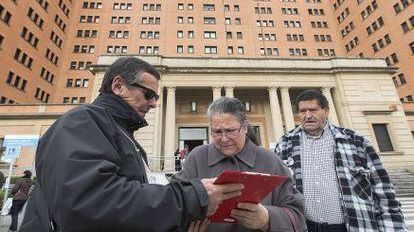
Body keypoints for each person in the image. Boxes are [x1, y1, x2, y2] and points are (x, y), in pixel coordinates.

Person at [20, 57, 243, 231]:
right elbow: (91, 204)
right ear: (118, 85)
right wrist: (194, 197)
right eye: (148, 94)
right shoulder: (81, 121)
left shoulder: (125, 136)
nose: (154, 103)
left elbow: (131, 211)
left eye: (156, 96)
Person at [275, 89, 406, 232]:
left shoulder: (356, 142)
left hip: (350, 226)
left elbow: (383, 190)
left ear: (326, 111)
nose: (308, 116)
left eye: (313, 110)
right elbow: (276, 189)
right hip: (304, 226)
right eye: (302, 111)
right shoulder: (284, 144)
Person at [173, 97, 306, 232]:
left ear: (245, 127)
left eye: (230, 131)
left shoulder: (270, 161)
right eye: (217, 132)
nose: (224, 139)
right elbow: (173, 205)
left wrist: (267, 218)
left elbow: (297, 215)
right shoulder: (197, 158)